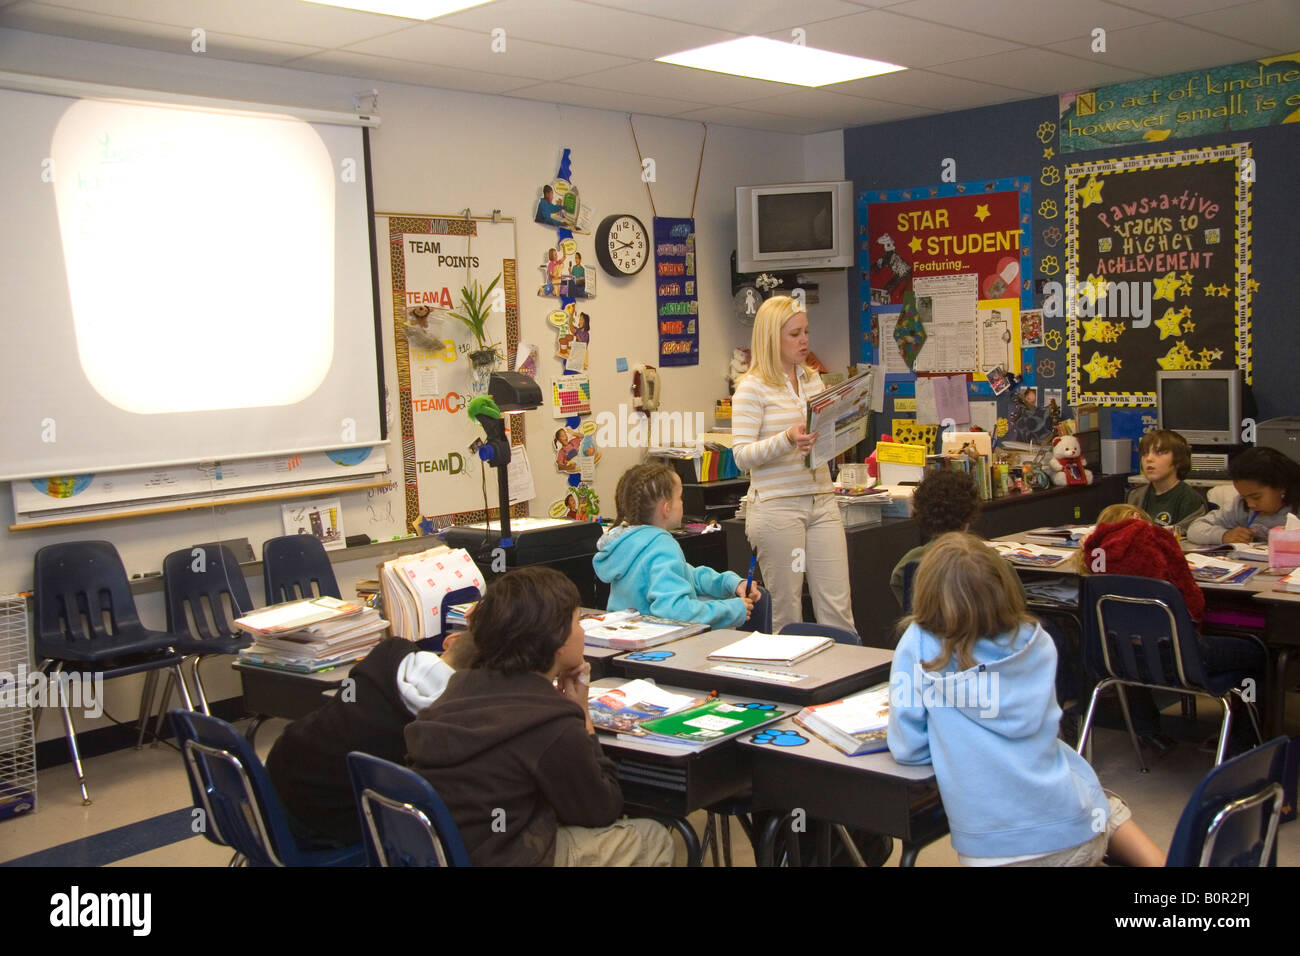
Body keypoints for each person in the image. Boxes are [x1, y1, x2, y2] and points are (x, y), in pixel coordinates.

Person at [888, 532, 1165, 867]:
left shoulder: (917, 644)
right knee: (1100, 800)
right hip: (1078, 831)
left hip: (998, 854)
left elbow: (909, 749)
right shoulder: (1037, 639)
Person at [405, 567, 675, 866]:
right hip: (510, 855)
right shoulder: (549, 722)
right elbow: (601, 808)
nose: (583, 631)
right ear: (557, 640)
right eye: (577, 622)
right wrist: (582, 713)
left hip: (453, 851)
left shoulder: (456, 690)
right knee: (651, 837)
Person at [1080, 504, 1264, 756]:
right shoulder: (1153, 538)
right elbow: (1192, 602)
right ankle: (1245, 738)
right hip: (1181, 661)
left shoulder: (1096, 553)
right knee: (1257, 652)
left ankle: (1147, 729)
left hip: (1119, 663)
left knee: (1131, 648)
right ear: (1136, 517)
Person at [265, 630, 475, 849]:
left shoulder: (389, 651)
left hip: (271, 779)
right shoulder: (452, 724)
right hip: (316, 825)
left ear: (451, 640)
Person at [732, 295, 855, 634]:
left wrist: (843, 430)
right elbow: (741, 455)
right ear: (773, 337)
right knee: (787, 612)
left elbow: (820, 436)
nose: (805, 341)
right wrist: (786, 438)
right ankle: (789, 685)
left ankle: (844, 678)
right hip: (778, 508)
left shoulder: (812, 379)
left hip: (821, 499)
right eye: (795, 334)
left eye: (806, 332)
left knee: (837, 606)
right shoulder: (751, 387)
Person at [593, 463, 759, 629]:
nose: (682, 502)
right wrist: (733, 609)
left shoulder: (630, 542)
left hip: (622, 639)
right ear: (666, 508)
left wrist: (730, 583)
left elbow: (688, 574)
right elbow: (675, 612)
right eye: (680, 497)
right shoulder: (661, 546)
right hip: (658, 645)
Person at [890, 469, 981, 607]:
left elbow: (908, 606)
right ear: (971, 513)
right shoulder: (993, 563)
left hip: (929, 626)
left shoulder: (908, 563)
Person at [1187, 446, 1300, 545]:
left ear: (1281, 486)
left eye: (1256, 497)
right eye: (1244, 497)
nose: (1250, 504)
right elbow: (1195, 529)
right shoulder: (1241, 508)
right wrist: (1224, 535)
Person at [1125, 429, 1206, 534]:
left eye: (1159, 452)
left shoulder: (1190, 499)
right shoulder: (1135, 495)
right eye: (1145, 453)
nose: (1149, 459)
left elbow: (1186, 537)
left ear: (1178, 460)